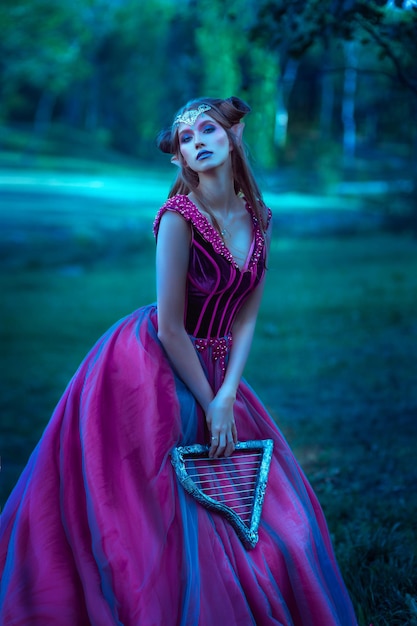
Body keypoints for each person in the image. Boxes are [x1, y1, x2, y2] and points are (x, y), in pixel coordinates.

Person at [0, 96, 357, 625]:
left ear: (232, 137)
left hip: (219, 367)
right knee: (153, 497)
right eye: (186, 140)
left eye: (208, 130)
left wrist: (228, 394)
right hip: (153, 362)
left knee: (260, 497)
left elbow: (245, 318)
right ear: (181, 161)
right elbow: (170, 326)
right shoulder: (177, 218)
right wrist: (207, 400)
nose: (198, 143)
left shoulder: (261, 218)